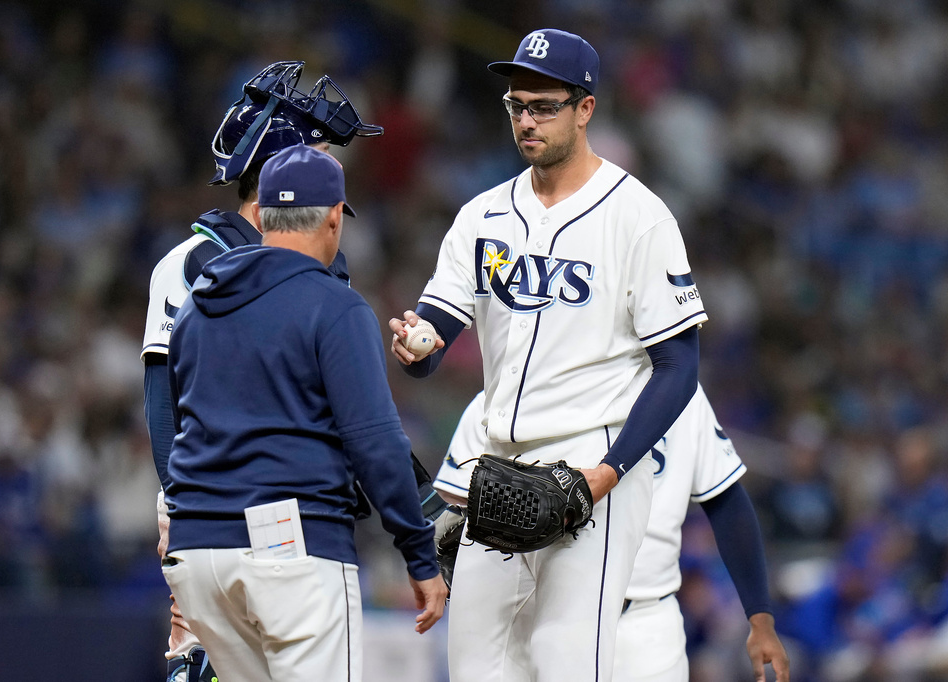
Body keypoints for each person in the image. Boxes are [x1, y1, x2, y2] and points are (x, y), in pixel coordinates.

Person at [389, 28, 708, 681]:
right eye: (516, 105)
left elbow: (680, 366)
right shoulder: (483, 216)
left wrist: (609, 472)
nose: (526, 120)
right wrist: (416, 346)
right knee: (478, 664)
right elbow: (437, 328)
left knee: (567, 659)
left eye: (543, 106)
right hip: (497, 464)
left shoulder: (639, 218)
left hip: (592, 460)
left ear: (585, 108)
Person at [161, 144, 447, 682]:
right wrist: (418, 552)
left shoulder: (198, 302)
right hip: (289, 546)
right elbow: (376, 442)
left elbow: (180, 418)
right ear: (336, 218)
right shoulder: (333, 305)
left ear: (264, 215)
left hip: (198, 552)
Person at [140, 60, 388, 681]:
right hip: (215, 505)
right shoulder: (195, 260)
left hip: (301, 513)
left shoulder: (326, 264)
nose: (333, 165)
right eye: (319, 149)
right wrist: (182, 501)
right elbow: (162, 400)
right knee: (199, 671)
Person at [435, 388, 791, 682]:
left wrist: (760, 616)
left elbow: (726, 499)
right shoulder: (515, 384)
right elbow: (453, 508)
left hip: (643, 624)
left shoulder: (683, 395)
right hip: (539, 616)